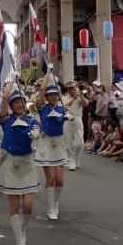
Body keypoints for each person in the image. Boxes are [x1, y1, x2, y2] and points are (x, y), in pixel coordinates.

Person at [0, 85, 41, 245]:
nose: (19, 105)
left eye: (21, 102)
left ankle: (22, 229)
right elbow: (3, 103)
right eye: (16, 102)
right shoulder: (6, 119)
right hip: (11, 164)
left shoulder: (31, 120)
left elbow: (37, 131)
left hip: (27, 164)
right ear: (12, 106)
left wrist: (34, 135)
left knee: (28, 207)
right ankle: (20, 239)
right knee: (14, 205)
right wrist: (9, 88)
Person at [35, 73, 68, 220]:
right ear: (47, 98)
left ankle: (55, 203)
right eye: (51, 95)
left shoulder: (63, 109)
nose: (54, 97)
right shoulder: (42, 108)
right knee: (51, 179)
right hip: (46, 143)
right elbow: (41, 92)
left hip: (59, 143)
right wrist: (48, 75)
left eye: (56, 95)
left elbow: (69, 116)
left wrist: (69, 117)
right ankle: (50, 208)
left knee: (60, 180)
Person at [62, 82, 88, 171]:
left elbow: (86, 104)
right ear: (68, 90)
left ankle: (76, 159)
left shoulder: (79, 97)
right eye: (70, 88)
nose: (72, 90)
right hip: (67, 120)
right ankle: (71, 161)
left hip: (77, 120)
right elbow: (65, 106)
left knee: (80, 143)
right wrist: (73, 98)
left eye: (73, 88)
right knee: (68, 143)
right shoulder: (64, 98)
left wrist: (81, 96)